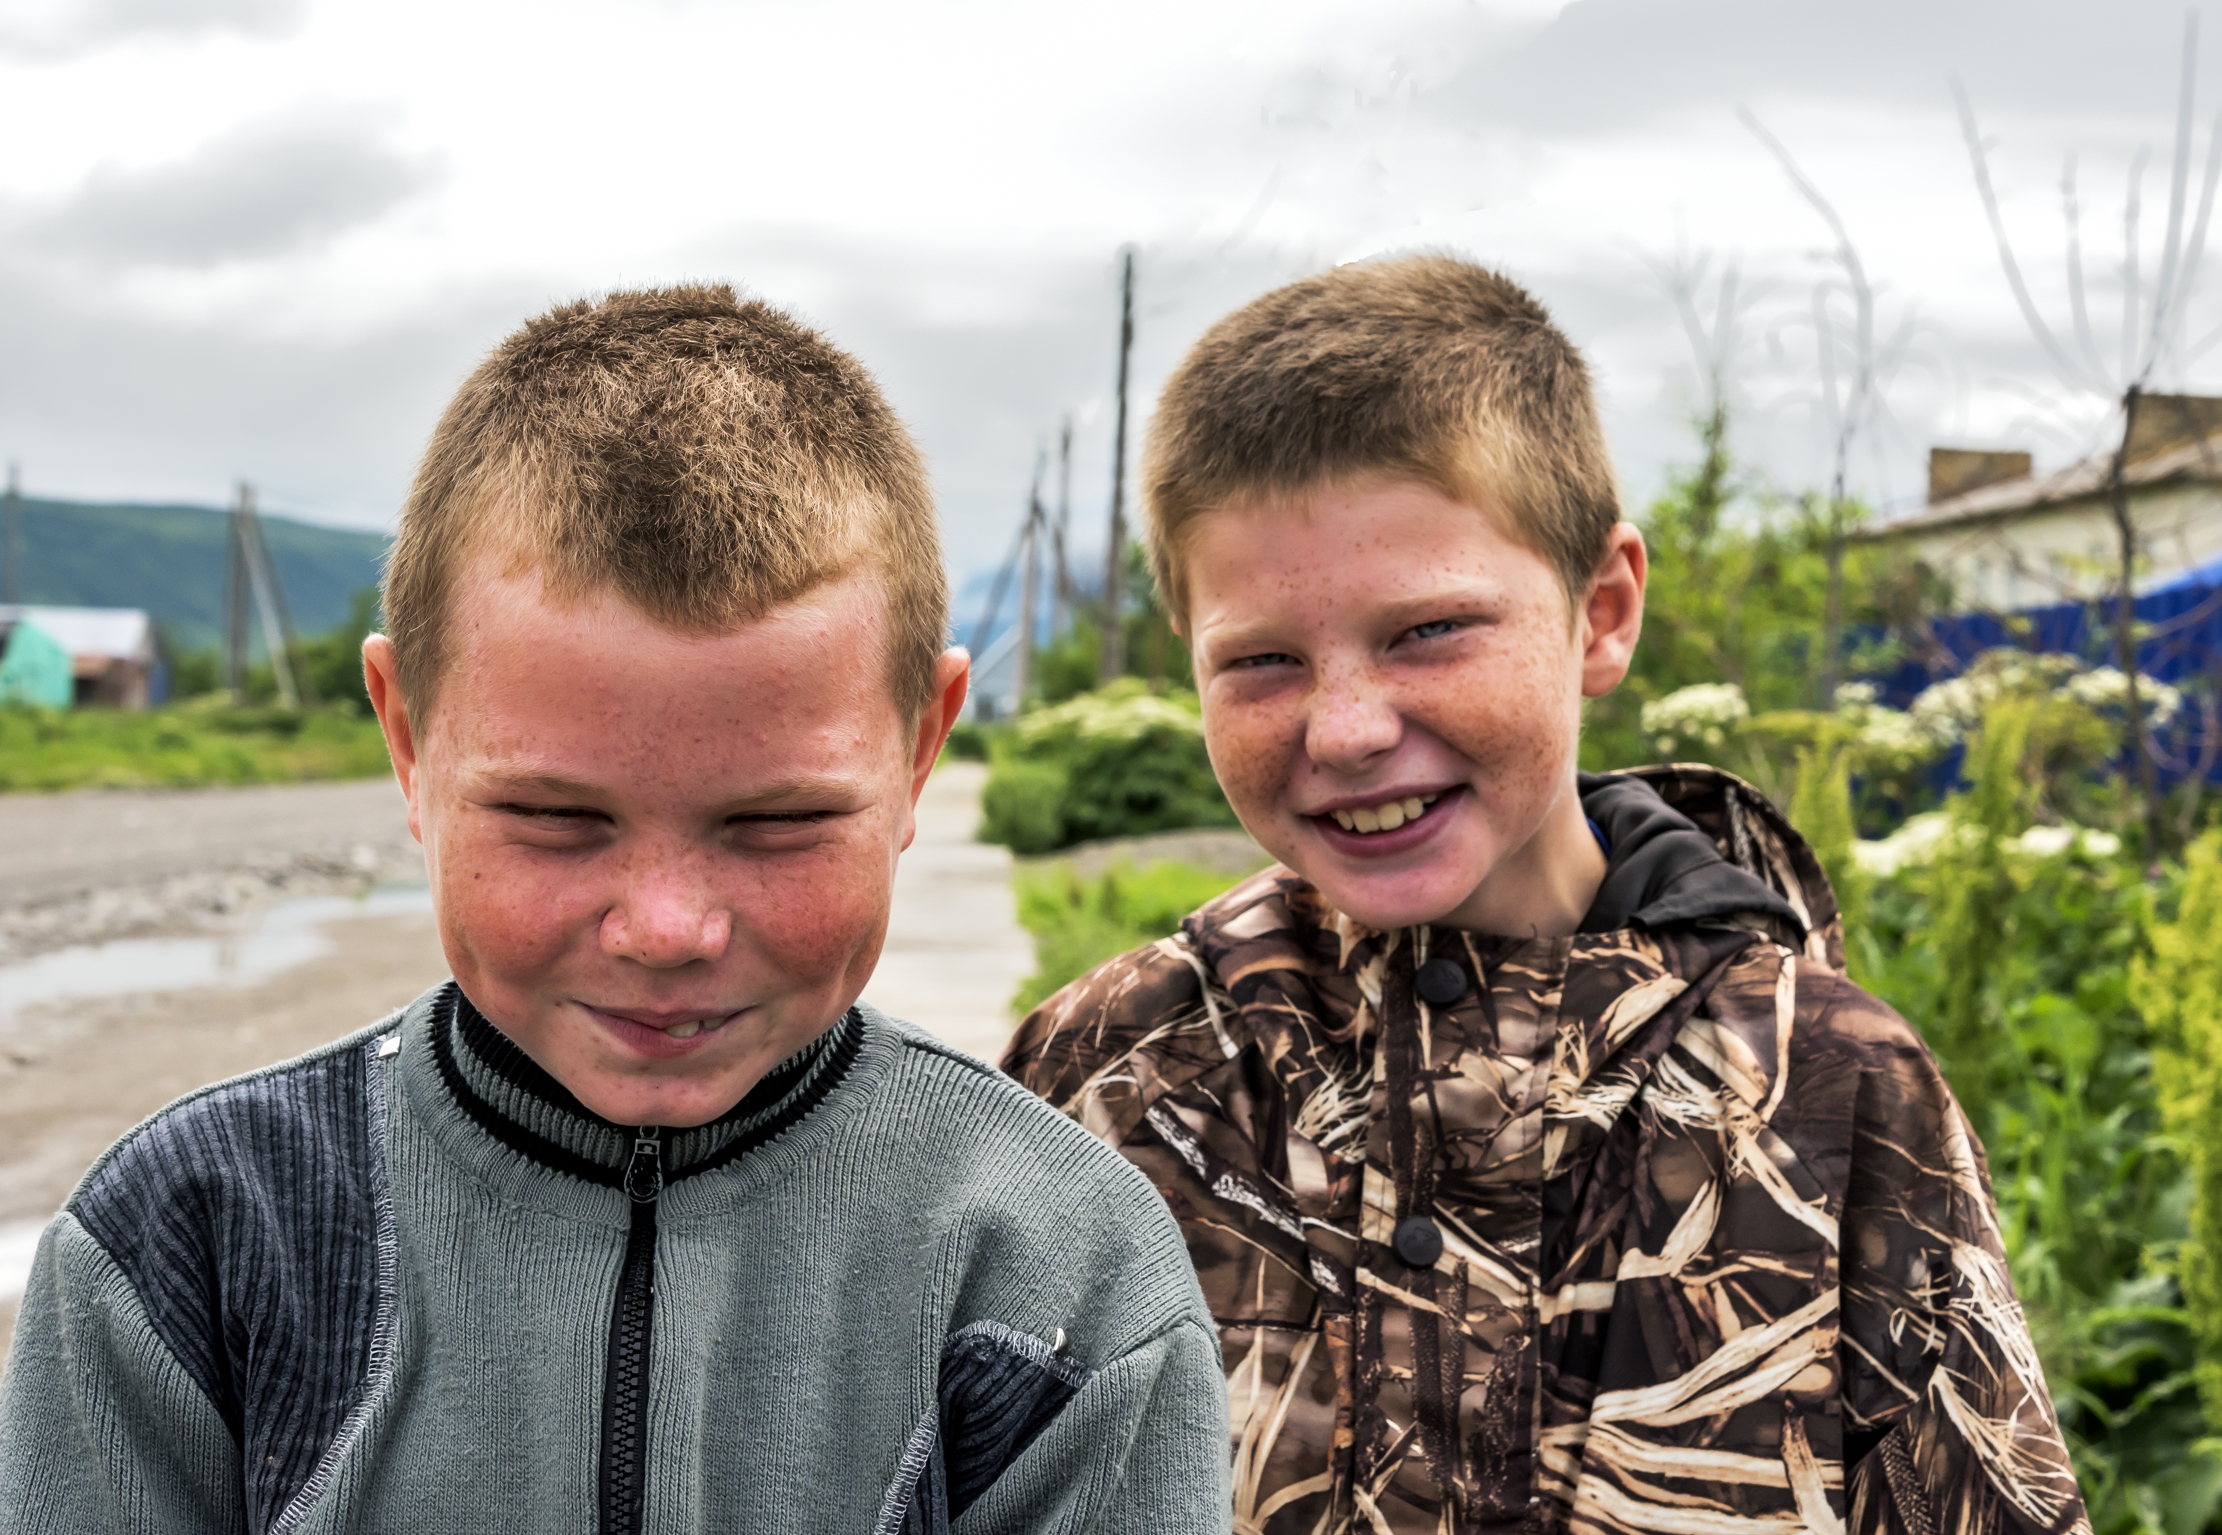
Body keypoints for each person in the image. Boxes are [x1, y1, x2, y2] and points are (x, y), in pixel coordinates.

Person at [0, 285, 1229, 1535]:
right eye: (553, 817)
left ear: (920, 750)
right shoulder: (190, 1244)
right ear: (407, 738)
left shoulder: (1059, 1270)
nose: (665, 927)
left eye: (778, 822)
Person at [1003, 255, 2089, 1535]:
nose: (1346, 727)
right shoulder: (1109, 1074)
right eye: (1260, 660)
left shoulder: (1836, 1094)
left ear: (1602, 612)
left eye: (1427, 632)